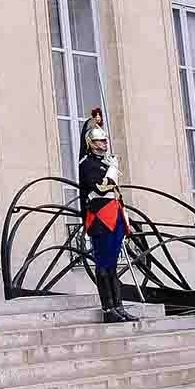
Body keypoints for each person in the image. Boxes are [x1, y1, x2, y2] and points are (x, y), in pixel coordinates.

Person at [76, 108, 134, 323]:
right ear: (90, 143)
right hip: (101, 218)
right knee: (104, 263)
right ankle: (108, 309)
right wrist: (112, 171)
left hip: (115, 215)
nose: (104, 144)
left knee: (113, 264)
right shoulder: (88, 164)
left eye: (105, 140)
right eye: (99, 141)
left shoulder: (105, 162)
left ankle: (118, 305)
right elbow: (100, 188)